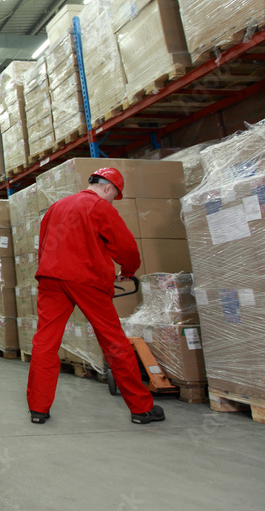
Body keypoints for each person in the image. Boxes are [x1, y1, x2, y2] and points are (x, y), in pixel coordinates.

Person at [26, 167, 165, 425]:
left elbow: (44, 244)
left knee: (45, 341)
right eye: (115, 195)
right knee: (114, 341)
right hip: (86, 279)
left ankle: (38, 409)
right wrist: (128, 270)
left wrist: (49, 271)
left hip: (51, 278)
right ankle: (141, 409)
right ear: (109, 188)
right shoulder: (99, 206)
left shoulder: (55, 207)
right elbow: (124, 246)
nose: (113, 201)